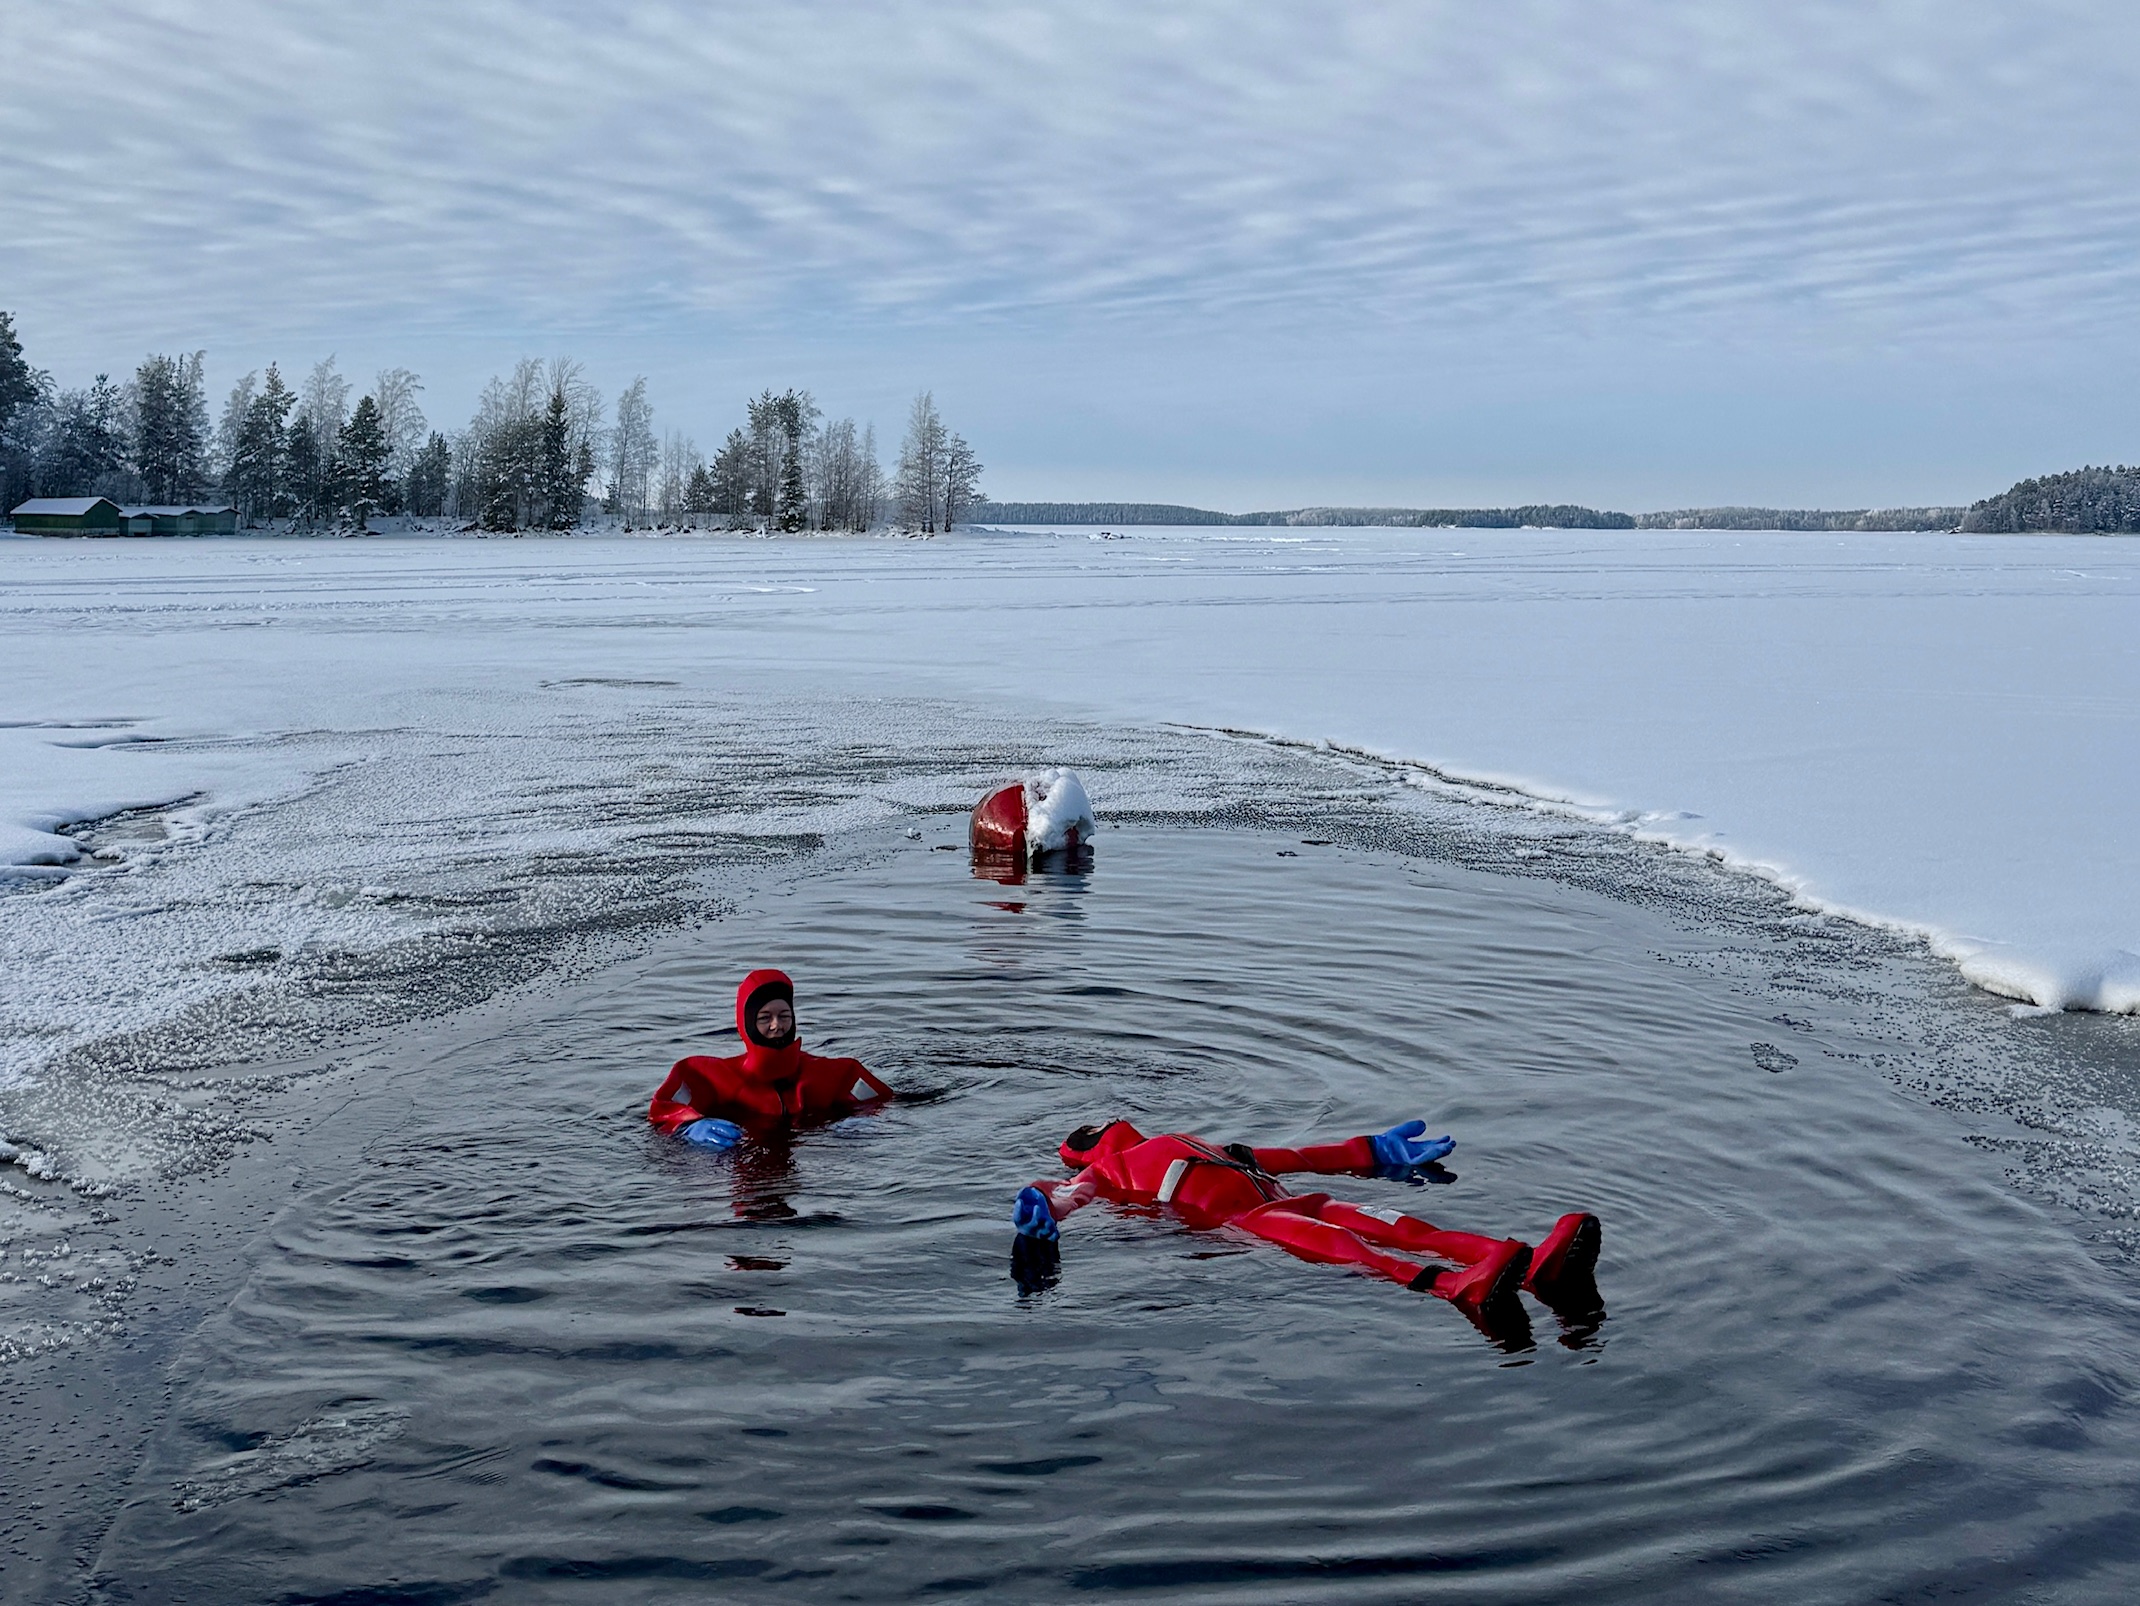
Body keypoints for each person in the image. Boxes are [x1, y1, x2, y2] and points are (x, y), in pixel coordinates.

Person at [1010, 1117, 1600, 1315]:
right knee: (1357, 1248)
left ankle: (1526, 1268)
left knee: (1406, 1227)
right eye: (1088, 1133)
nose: (1105, 1127)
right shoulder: (1104, 1174)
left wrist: (1368, 1151)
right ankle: (1455, 1288)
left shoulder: (1201, 1144)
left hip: (1293, 1201)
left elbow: (1291, 1157)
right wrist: (1047, 1209)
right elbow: (1070, 1197)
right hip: (1249, 1225)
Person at [649, 969, 892, 1148]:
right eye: (765, 1018)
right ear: (746, 1023)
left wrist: (863, 1118)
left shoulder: (833, 1075)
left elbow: (884, 1102)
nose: (777, 1026)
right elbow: (663, 1111)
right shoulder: (709, 1077)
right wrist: (686, 1127)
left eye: (784, 1015)